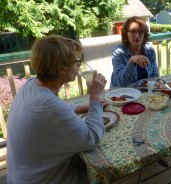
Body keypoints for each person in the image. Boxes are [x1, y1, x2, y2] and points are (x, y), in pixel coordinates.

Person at [7, 35, 107, 183]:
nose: (79, 66)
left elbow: (56, 108)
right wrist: (95, 98)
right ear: (61, 68)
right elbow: (92, 137)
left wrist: (82, 107)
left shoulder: (30, 86)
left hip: (22, 176)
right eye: (77, 62)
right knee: (102, 170)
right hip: (45, 180)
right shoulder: (50, 107)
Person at [110, 16, 159, 88]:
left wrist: (150, 88)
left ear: (144, 34)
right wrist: (131, 61)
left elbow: (155, 74)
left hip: (143, 91)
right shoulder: (118, 52)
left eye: (140, 32)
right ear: (126, 34)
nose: (137, 35)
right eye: (132, 31)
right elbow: (122, 83)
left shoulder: (150, 50)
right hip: (121, 94)